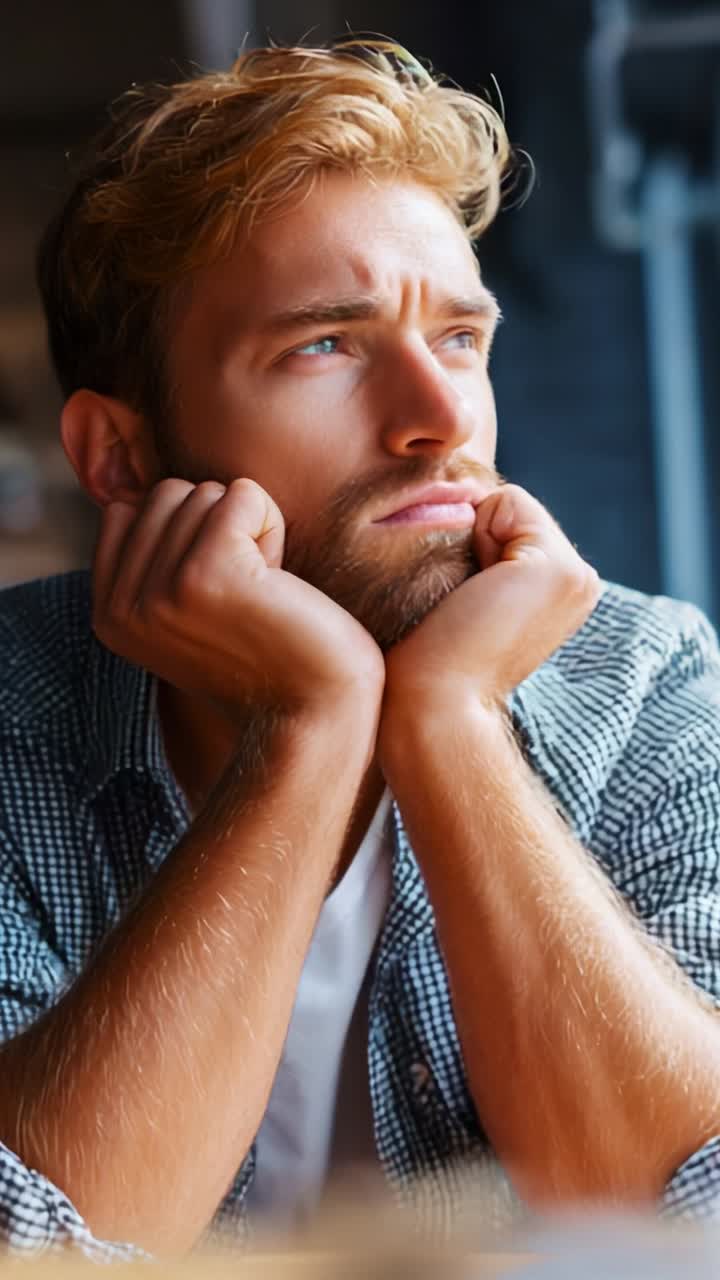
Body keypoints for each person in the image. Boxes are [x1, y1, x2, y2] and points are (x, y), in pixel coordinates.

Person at [1, 36, 720, 1260]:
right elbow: (38, 1243)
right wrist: (312, 725)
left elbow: (688, 1218)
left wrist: (453, 724)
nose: (441, 420)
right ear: (119, 456)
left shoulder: (648, 680)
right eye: (325, 345)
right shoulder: (16, 713)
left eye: (458, 338)